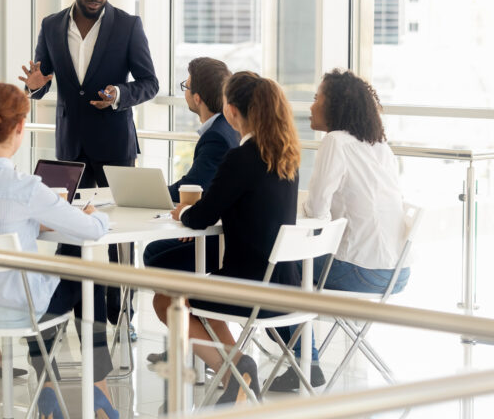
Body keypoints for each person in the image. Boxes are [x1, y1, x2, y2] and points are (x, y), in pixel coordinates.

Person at [0, 83, 118, 419]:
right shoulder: (26, 188)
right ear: (20, 127)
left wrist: (33, 224)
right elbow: (93, 231)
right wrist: (95, 214)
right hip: (16, 309)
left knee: (50, 280)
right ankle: (97, 387)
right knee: (84, 267)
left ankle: (49, 386)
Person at [18, 0, 159, 326]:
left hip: (115, 144)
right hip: (69, 146)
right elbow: (41, 77)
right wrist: (34, 87)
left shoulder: (128, 25)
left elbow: (149, 83)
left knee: (120, 236)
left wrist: (119, 95)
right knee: (63, 227)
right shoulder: (51, 26)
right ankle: (64, 309)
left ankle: (121, 315)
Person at [152, 71, 301, 406]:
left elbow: (203, 216)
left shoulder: (242, 158)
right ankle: (238, 370)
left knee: (165, 298)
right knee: (201, 286)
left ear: (231, 111)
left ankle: (233, 371)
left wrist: (183, 213)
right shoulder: (287, 157)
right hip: (288, 288)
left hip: (250, 288)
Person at [268, 69, 407, 392]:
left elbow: (317, 212)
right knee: (287, 267)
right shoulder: (380, 146)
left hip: (360, 271)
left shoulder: (335, 142)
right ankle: (304, 359)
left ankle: (307, 361)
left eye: (317, 98)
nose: (310, 106)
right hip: (396, 272)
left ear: (336, 106)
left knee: (277, 266)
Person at [143, 58, 237, 363]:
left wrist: (154, 195)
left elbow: (195, 185)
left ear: (196, 97)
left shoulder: (217, 135)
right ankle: (189, 343)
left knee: (156, 257)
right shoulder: (226, 128)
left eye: (186, 86)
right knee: (158, 255)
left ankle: (193, 343)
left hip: (220, 241)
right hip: (222, 230)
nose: (184, 92)